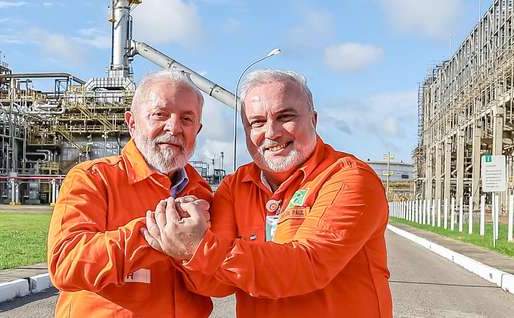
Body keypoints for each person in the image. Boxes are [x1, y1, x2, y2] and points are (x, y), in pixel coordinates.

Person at [144, 69, 393, 317]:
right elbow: (216, 284)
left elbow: (309, 266)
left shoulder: (348, 178)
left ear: (313, 120)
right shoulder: (236, 186)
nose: (272, 133)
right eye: (257, 122)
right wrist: (179, 238)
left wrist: (199, 246)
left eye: (285, 116)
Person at [47, 70, 214, 318]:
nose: (174, 127)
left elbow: (216, 282)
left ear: (197, 131)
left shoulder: (202, 195)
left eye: (187, 119)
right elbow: (66, 263)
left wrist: (194, 251)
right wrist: (154, 233)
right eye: (160, 114)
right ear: (132, 123)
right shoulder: (93, 179)